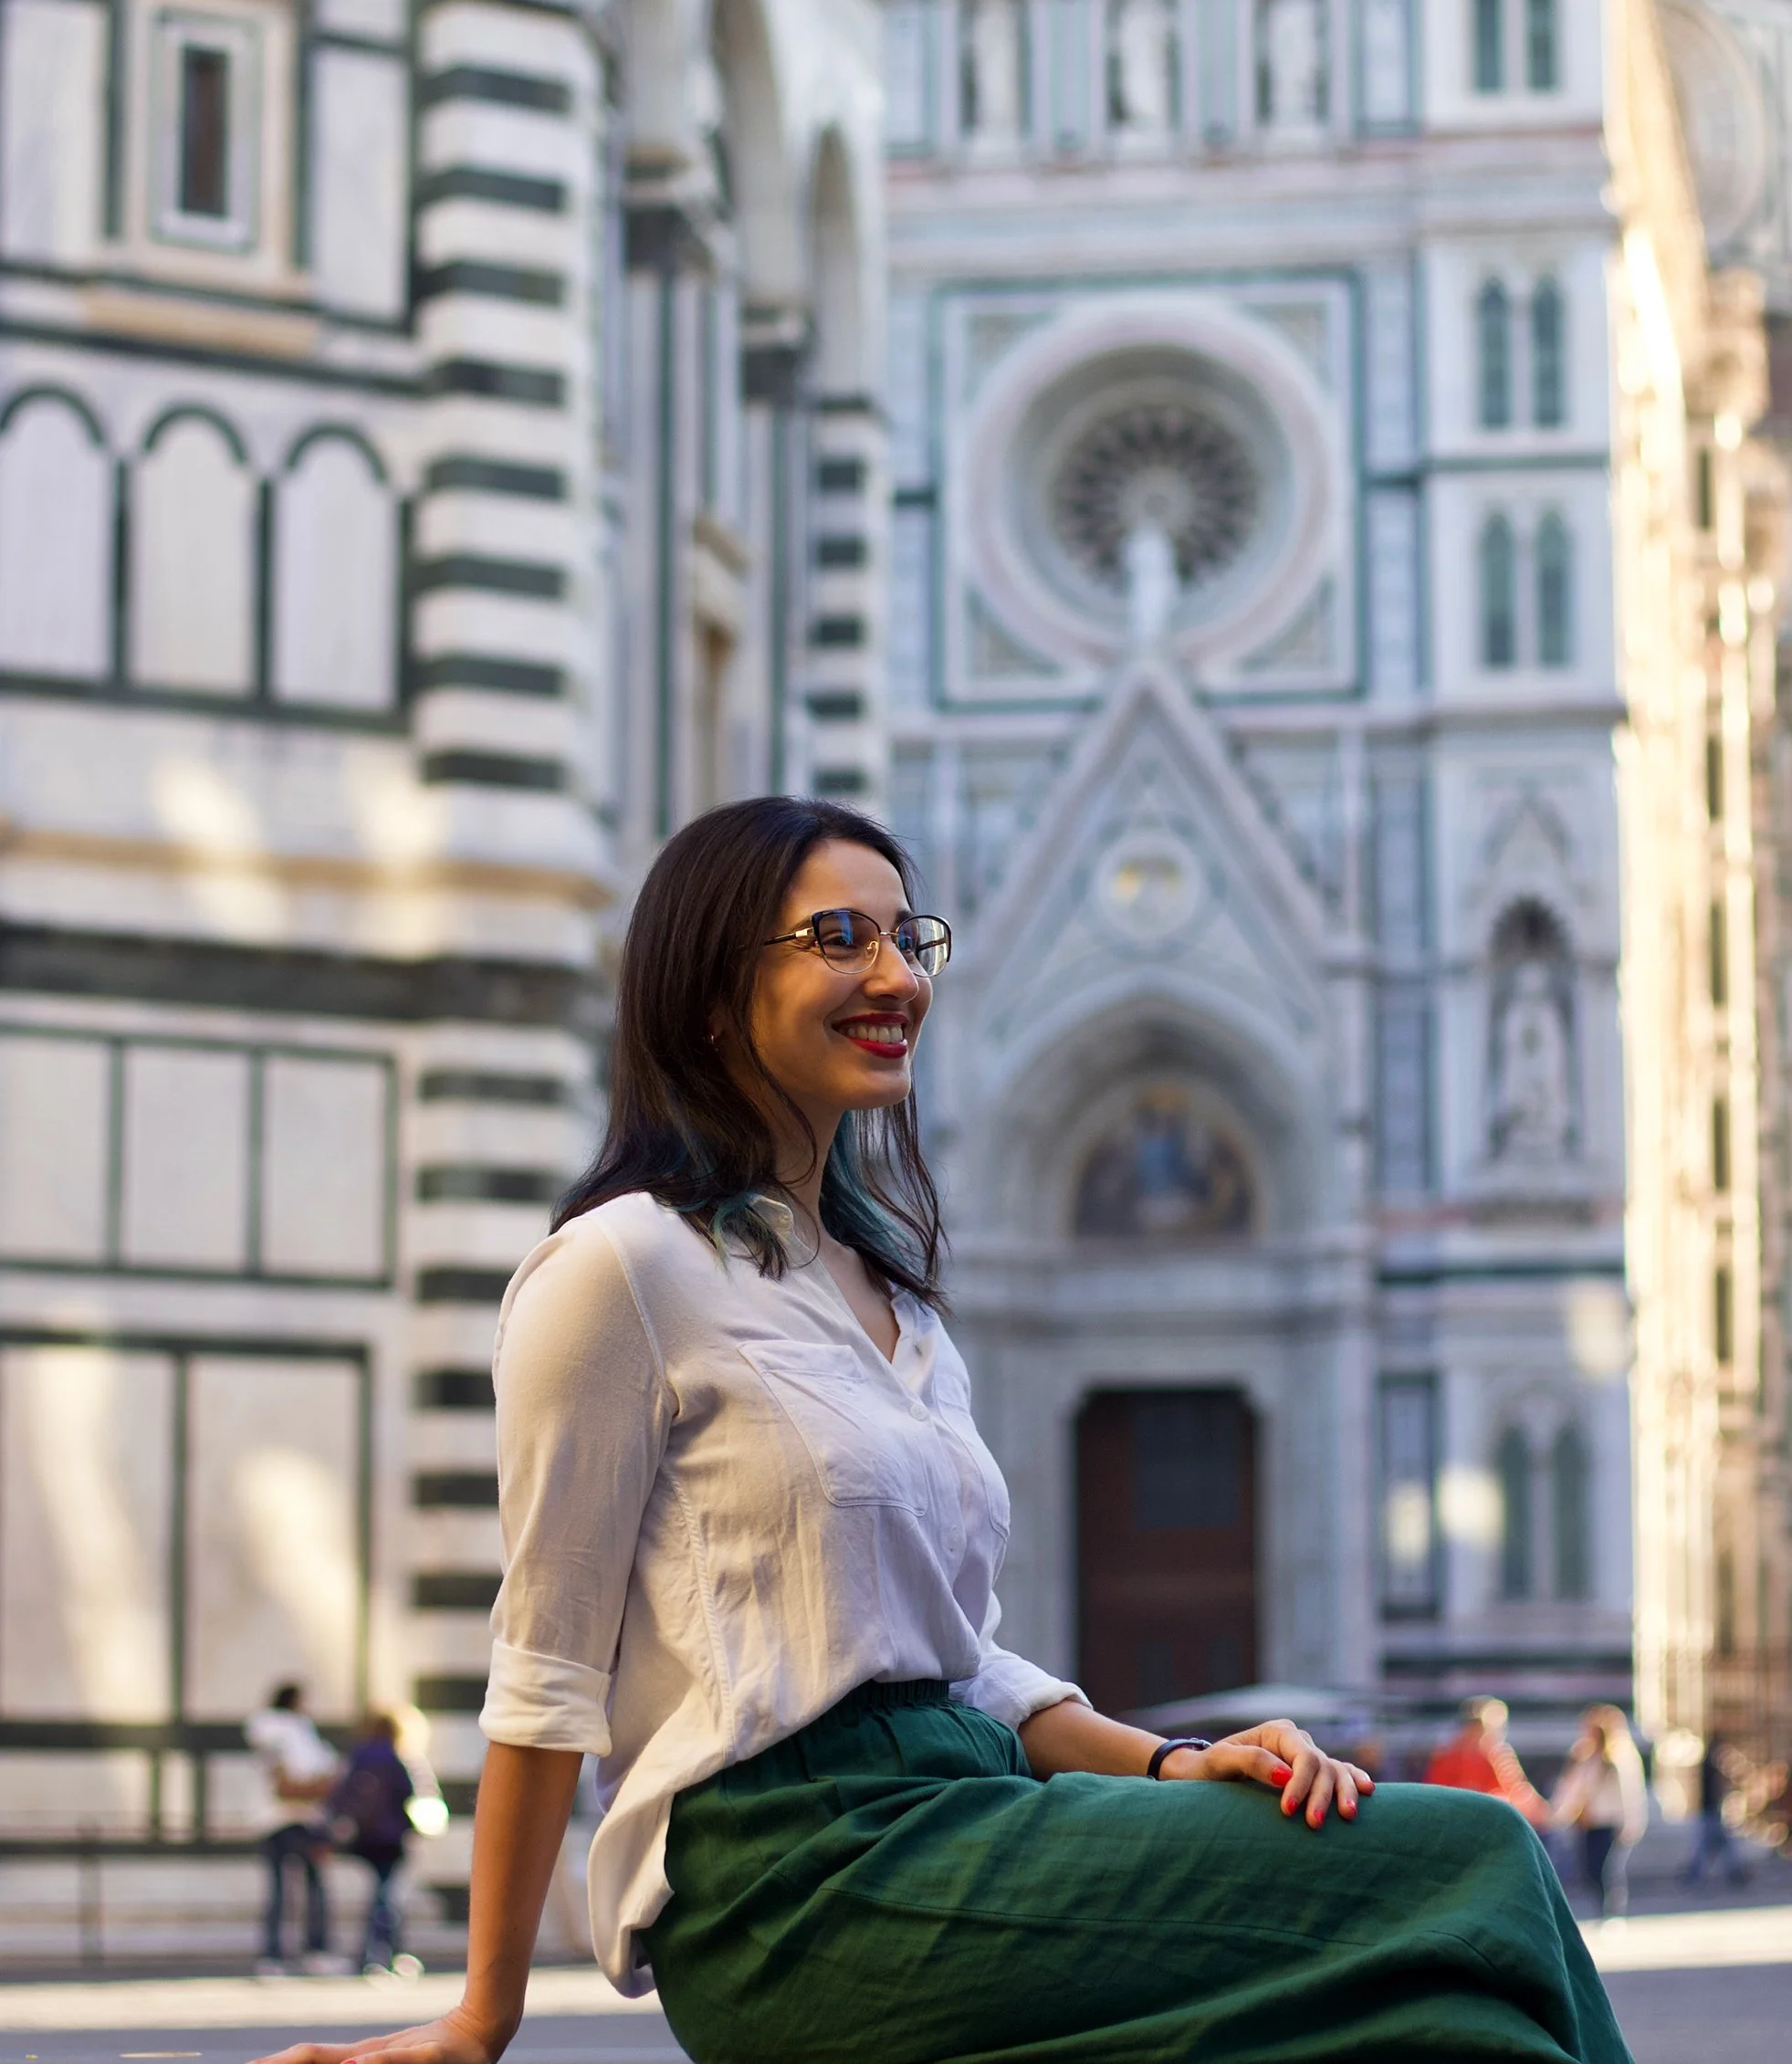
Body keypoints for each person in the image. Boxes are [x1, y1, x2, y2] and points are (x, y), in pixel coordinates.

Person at [255, 797, 1631, 2064]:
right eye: (836, 938)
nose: (897, 975)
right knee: (1472, 1859)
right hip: (795, 1876)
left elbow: (955, 1663)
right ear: (712, 994)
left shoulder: (896, 1303)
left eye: (907, 937)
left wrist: (1167, 1755)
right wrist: (481, 2013)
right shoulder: (615, 1270)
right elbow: (544, 1664)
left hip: (967, 1814)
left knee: (1451, 2022)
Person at [246, 1682, 338, 1975]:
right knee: (291, 1891)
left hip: (296, 1821)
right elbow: (287, 1785)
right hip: (284, 1820)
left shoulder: (299, 1733)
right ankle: (290, 1953)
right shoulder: (280, 1734)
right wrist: (313, 1788)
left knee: (300, 1889)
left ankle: (291, 1953)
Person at [328, 1714, 418, 1972]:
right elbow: (407, 1792)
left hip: (365, 1837)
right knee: (387, 1896)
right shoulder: (394, 1756)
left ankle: (377, 1952)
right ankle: (382, 1953)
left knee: (380, 1894)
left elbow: (340, 1794)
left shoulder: (359, 1755)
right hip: (391, 1837)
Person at [1554, 1703, 1650, 1919]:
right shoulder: (1583, 1755)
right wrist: (1560, 1814)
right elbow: (1572, 1788)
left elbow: (1630, 1792)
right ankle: (1603, 1909)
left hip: (1609, 1821)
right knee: (1588, 1869)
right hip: (1586, 1822)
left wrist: (1631, 1823)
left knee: (1606, 1870)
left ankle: (1611, 1912)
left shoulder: (1618, 1756)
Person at [1423, 1696, 1551, 1827]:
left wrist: (1541, 1810)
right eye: (1473, 1726)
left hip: (1489, 1818)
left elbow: (1516, 1791)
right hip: (1455, 1817)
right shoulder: (1446, 1755)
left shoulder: (1497, 1755)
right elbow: (1435, 1794)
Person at [1682, 1734, 1750, 1887]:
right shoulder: (1712, 1766)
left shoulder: (1708, 1765)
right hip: (1712, 1812)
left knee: (1719, 1845)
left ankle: (1733, 1872)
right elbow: (1716, 1789)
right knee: (1712, 1845)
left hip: (1712, 1812)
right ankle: (1730, 1873)